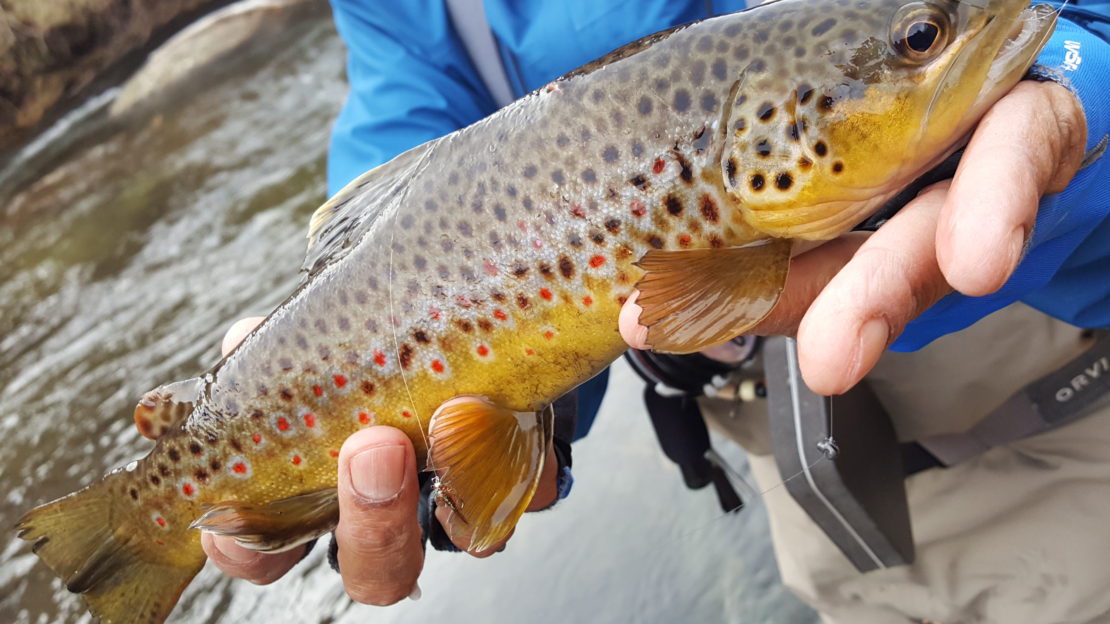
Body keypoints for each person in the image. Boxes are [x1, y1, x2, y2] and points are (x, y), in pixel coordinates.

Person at [203, 0, 1110, 619]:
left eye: (921, 38)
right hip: (796, 447)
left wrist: (1084, 85)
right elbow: (413, 160)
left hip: (1056, 360)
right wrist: (466, 441)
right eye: (920, 41)